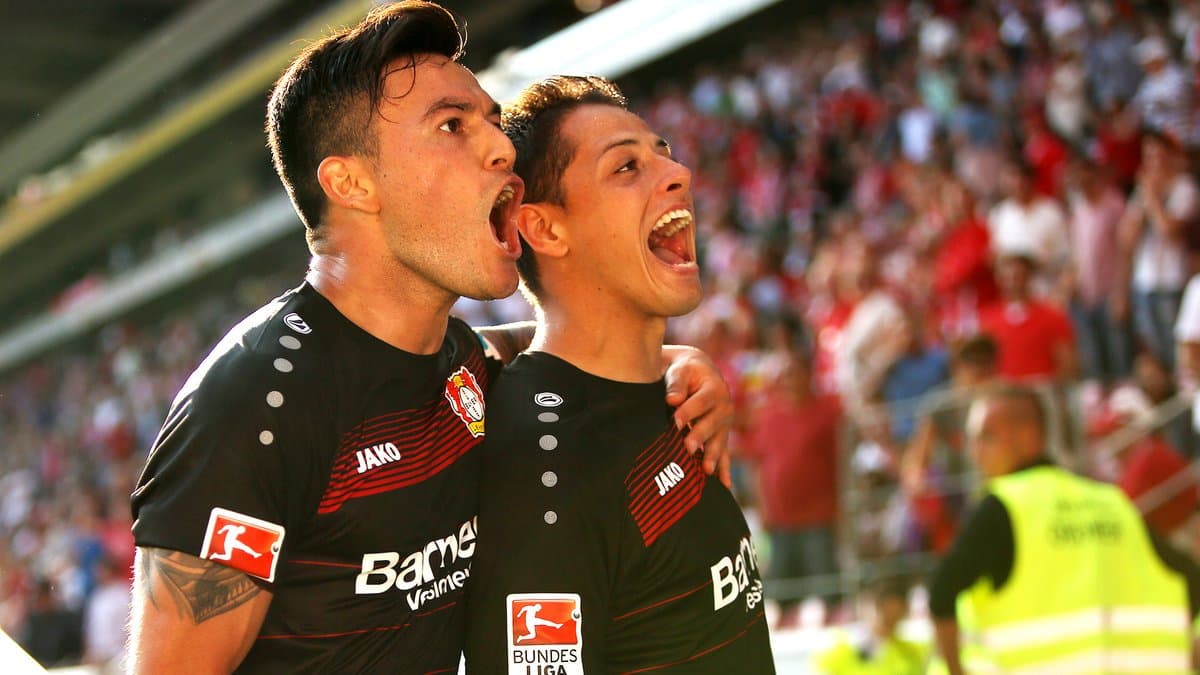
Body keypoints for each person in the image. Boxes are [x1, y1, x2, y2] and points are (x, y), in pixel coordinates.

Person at [127, 4, 732, 673]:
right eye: (451, 125)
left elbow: (547, 346)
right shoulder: (260, 403)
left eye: (491, 121)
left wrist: (673, 357)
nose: (501, 148)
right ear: (351, 183)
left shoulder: (462, 363)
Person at [464, 75, 775, 673]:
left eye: (661, 150)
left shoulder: (669, 393)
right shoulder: (547, 463)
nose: (677, 171)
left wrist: (677, 358)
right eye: (626, 168)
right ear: (546, 229)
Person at [929, 384, 1198, 675]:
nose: (974, 452)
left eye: (986, 437)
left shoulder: (1003, 504)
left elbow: (942, 593)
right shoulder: (1110, 501)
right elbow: (1190, 581)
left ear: (1028, 435)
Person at [744, 348, 841, 629]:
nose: (790, 379)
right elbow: (756, 464)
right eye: (785, 373)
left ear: (809, 375)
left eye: (795, 372)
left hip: (819, 514)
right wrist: (761, 506)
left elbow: (838, 462)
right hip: (779, 518)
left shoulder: (826, 413)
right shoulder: (767, 415)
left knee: (827, 583)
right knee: (781, 586)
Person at [812, 580, 926, 675]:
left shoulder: (912, 653)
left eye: (894, 619)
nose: (887, 626)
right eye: (885, 617)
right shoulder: (836, 646)